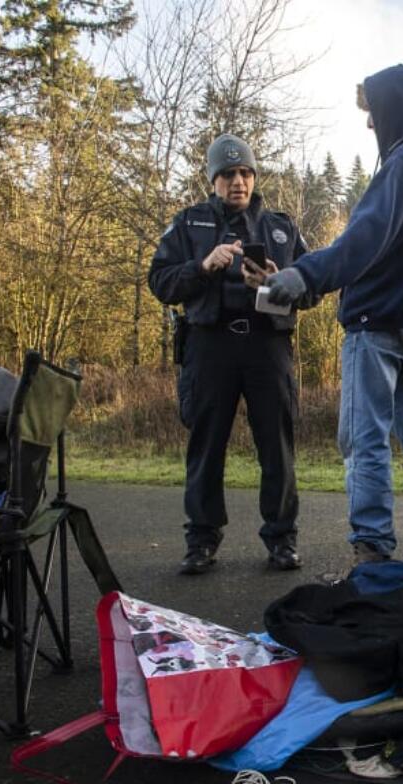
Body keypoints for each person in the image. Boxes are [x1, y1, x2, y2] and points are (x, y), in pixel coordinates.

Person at [264, 64, 403, 566]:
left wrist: (304, 275)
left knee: (364, 439)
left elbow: (364, 240)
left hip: (377, 326)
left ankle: (372, 555)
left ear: (392, 108)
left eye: (372, 113)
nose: (370, 125)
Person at [149, 134, 318, 575]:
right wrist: (202, 267)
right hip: (210, 344)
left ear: (254, 176)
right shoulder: (188, 225)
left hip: (267, 346)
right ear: (213, 180)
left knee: (277, 446)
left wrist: (283, 281)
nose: (238, 182)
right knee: (206, 445)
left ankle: (282, 539)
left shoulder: (282, 228)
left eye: (244, 173)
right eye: (227, 175)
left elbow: (313, 288)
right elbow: (160, 283)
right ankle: (201, 540)